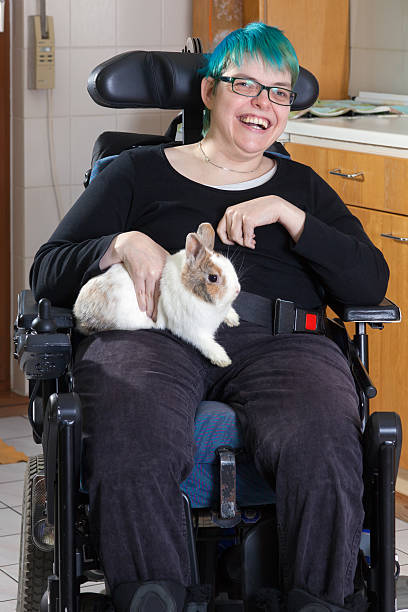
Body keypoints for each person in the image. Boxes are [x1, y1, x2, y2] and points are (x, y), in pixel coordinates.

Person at [30, 22, 389, 612]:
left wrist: (292, 216)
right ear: (209, 93)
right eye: (245, 84)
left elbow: (369, 281)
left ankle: (317, 602)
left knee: (321, 440)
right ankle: (156, 597)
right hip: (157, 335)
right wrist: (120, 243)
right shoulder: (136, 172)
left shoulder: (302, 186)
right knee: (132, 429)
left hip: (282, 342)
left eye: (279, 91)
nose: (263, 104)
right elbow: (46, 271)